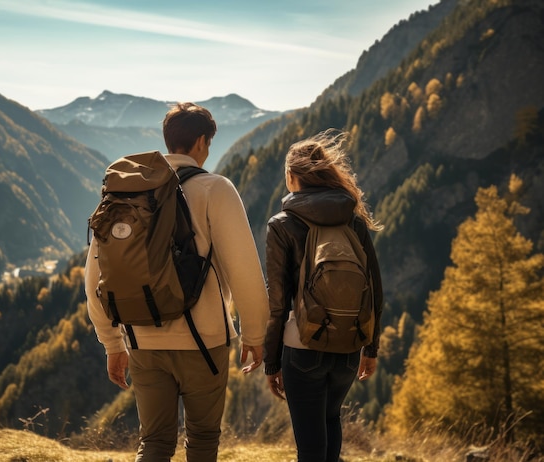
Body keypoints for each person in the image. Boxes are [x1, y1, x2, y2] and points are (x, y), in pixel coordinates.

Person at [85, 102, 269, 462]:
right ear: (201, 142)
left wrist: (111, 341)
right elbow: (244, 269)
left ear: (168, 141)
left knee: (153, 442)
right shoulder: (216, 189)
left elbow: (97, 273)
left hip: (142, 338)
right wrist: (255, 335)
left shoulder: (126, 193)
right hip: (205, 341)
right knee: (201, 441)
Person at [263, 129, 383, 462]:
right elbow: (374, 288)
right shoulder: (353, 220)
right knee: (331, 421)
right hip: (348, 344)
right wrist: (370, 348)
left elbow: (278, 303)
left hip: (301, 347)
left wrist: (271, 362)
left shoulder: (282, 224)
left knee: (310, 445)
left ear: (291, 177)